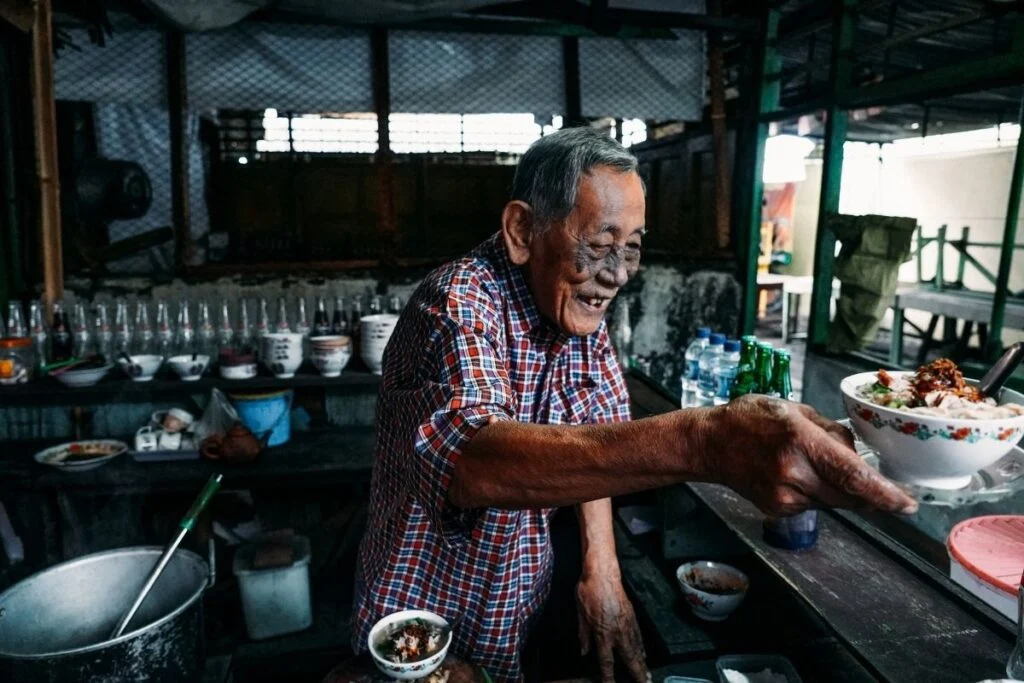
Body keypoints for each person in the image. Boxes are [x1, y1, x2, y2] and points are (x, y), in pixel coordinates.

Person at [350, 127, 916, 683]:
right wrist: (704, 441)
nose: (617, 274)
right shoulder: (458, 303)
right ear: (523, 230)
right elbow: (474, 461)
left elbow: (597, 420)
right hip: (425, 603)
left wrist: (603, 564)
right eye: (598, 245)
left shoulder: (574, 304)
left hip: (515, 586)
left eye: (633, 247)